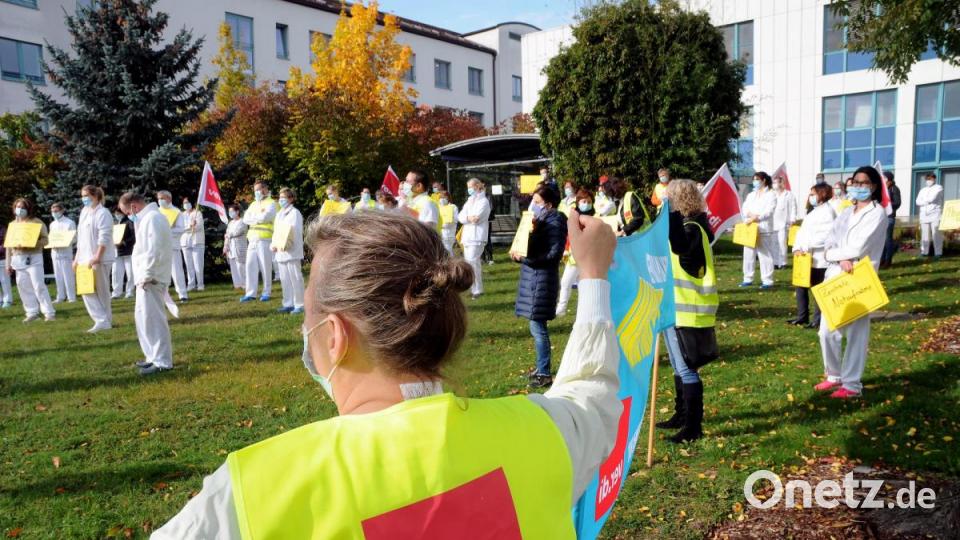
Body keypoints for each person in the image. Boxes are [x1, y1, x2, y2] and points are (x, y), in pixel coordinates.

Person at [152, 209, 619, 539]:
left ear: (334, 336)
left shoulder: (255, 493)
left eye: (308, 310)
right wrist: (594, 274)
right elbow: (594, 395)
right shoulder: (539, 434)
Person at [816, 166, 887, 399]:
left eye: (864, 183)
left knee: (856, 333)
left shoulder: (877, 213)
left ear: (874, 186)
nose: (858, 186)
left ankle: (852, 385)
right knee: (826, 331)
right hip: (836, 275)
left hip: (859, 276)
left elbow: (858, 247)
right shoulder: (847, 211)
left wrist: (837, 254)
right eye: (855, 182)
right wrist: (835, 255)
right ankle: (834, 375)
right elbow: (829, 241)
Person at [657, 179, 717, 443]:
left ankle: (693, 427)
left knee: (687, 369)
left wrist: (668, 214)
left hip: (688, 310)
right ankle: (681, 415)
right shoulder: (688, 226)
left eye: (668, 199)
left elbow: (680, 247)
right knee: (678, 368)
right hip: (675, 309)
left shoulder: (691, 229)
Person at [512, 185, 567, 388]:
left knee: (538, 328)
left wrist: (525, 259)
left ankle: (544, 372)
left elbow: (553, 254)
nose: (532, 205)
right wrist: (519, 253)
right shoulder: (540, 220)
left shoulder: (555, 221)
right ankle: (541, 367)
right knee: (535, 327)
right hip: (533, 279)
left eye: (537, 202)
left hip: (541, 281)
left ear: (549, 204)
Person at [119, 192, 174, 376]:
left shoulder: (153, 218)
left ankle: (162, 361)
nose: (128, 216)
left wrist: (148, 274)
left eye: (127, 212)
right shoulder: (147, 219)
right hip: (145, 277)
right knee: (144, 318)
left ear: (134, 206)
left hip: (151, 277)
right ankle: (152, 356)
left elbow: (153, 249)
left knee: (154, 319)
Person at [789, 184, 836, 329]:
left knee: (817, 289)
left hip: (819, 258)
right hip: (804, 257)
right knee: (800, 286)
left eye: (813, 194)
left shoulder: (828, 213)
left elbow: (825, 236)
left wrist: (807, 248)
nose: (811, 197)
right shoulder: (812, 212)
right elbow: (802, 233)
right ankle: (802, 316)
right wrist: (797, 248)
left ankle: (818, 319)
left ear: (822, 194)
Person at [6, 198, 55, 322]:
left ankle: (49, 313)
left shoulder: (36, 222)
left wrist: (32, 243)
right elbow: (8, 245)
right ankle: (31, 312)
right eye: (18, 207)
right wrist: (8, 264)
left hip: (33, 257)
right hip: (18, 258)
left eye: (23, 207)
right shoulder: (12, 225)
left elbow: (46, 239)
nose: (20, 210)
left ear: (28, 209)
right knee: (22, 286)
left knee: (38, 285)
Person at [75, 185, 116, 332]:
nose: (84, 199)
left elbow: (104, 237)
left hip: (100, 259)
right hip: (84, 259)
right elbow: (80, 238)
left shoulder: (103, 213)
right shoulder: (84, 212)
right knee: (86, 290)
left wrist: (97, 256)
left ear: (96, 196)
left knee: (101, 290)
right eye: (82, 196)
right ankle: (101, 319)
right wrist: (76, 258)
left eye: (87, 196)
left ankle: (105, 321)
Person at [556, 188, 595, 316]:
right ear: (578, 202)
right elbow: (569, 234)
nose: (587, 204)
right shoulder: (574, 216)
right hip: (574, 255)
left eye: (589, 202)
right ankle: (565, 308)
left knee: (570, 283)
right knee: (571, 283)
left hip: (586, 256)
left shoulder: (593, 217)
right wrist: (566, 249)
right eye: (584, 201)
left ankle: (564, 309)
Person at [739, 172, 778, 289]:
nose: (755, 182)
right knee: (748, 254)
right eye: (754, 179)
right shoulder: (751, 195)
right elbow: (744, 207)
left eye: (757, 179)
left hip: (763, 228)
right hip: (750, 227)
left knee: (764, 254)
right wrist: (750, 216)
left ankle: (767, 280)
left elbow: (769, 210)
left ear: (764, 180)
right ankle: (747, 278)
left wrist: (758, 217)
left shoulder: (771, 194)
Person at [241, 181, 277, 303]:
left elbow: (266, 217)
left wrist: (254, 218)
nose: (256, 192)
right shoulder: (253, 204)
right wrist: (258, 217)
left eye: (259, 189)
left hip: (265, 239)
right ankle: (250, 293)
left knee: (265, 266)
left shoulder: (272, 203)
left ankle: (266, 292)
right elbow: (245, 219)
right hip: (252, 239)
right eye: (255, 190)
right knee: (250, 265)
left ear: (265, 189)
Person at [272, 188, 305, 314]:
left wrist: (283, 243)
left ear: (291, 199)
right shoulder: (279, 213)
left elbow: (293, 232)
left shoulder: (295, 213)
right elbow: (276, 232)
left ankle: (299, 304)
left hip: (291, 250)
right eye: (280, 198)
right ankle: (288, 303)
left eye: (284, 198)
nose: (281, 200)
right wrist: (274, 244)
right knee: (285, 279)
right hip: (280, 251)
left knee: (295, 278)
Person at [458, 178, 491, 299]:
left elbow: (477, 219)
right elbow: (460, 217)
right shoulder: (469, 201)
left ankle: (476, 290)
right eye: (468, 187)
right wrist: (468, 218)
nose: (469, 189)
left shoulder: (484, 201)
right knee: (471, 263)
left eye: (471, 186)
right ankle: (476, 288)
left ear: (478, 186)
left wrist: (469, 218)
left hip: (477, 236)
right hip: (468, 236)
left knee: (472, 262)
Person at [156, 191, 189, 303]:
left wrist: (168, 230)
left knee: (176, 271)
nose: (160, 200)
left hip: (172, 246)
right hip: (159, 247)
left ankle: (182, 294)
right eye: (158, 198)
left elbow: (181, 228)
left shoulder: (176, 212)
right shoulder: (157, 212)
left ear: (169, 199)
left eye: (162, 198)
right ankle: (162, 295)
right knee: (159, 272)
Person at [49, 203, 77, 303]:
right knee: (58, 275)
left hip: (65, 251)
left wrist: (65, 241)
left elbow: (74, 238)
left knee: (68, 275)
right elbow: (51, 237)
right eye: (52, 211)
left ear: (62, 211)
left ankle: (71, 297)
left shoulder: (69, 222)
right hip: (55, 252)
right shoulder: (52, 224)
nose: (54, 213)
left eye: (56, 211)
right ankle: (60, 296)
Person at [915, 172, 944, 259]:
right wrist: (925, 202)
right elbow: (917, 201)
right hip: (924, 214)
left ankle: (938, 253)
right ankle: (924, 252)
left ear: (934, 179)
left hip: (935, 213)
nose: (928, 181)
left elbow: (932, 198)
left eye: (930, 179)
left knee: (936, 234)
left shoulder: (939, 187)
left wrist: (923, 201)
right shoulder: (922, 190)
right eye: (927, 179)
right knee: (925, 234)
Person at [772, 175, 798, 269]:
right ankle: (775, 262)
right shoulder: (772, 194)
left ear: (781, 183)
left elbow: (793, 207)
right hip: (773, 223)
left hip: (784, 223)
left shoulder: (789, 194)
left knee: (782, 242)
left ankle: (783, 263)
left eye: (775, 182)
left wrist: (793, 219)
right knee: (774, 243)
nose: (774, 184)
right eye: (773, 182)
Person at [111, 208, 136, 299]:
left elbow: (134, 235)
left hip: (128, 251)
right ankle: (116, 292)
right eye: (115, 213)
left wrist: (124, 242)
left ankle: (129, 291)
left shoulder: (129, 222)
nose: (117, 215)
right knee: (116, 273)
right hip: (117, 251)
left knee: (130, 272)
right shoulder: (114, 223)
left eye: (118, 213)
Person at [182, 198, 205, 291]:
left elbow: (199, 227)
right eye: (184, 203)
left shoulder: (198, 213)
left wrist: (193, 226)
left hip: (197, 241)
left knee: (198, 264)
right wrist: (190, 226)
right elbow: (181, 228)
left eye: (187, 202)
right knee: (189, 265)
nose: (186, 204)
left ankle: (200, 284)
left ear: (191, 203)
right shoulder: (182, 215)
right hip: (185, 242)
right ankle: (191, 284)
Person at [223, 204, 248, 290]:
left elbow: (237, 232)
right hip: (231, 248)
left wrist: (228, 235)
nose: (230, 213)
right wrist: (225, 246)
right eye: (229, 211)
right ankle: (237, 284)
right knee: (233, 267)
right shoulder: (230, 223)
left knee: (241, 266)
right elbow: (226, 235)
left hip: (239, 247)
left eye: (232, 211)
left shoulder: (242, 221)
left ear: (237, 211)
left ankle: (245, 284)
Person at [879, 171, 901, 269]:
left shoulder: (894, 189)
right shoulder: (881, 189)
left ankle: (888, 261)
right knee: (881, 240)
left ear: (888, 179)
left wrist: (887, 203)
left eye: (884, 178)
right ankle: (882, 260)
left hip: (889, 217)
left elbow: (897, 203)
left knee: (888, 239)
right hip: (881, 217)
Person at [436, 189, 459, 255]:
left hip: (449, 234)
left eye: (444, 197)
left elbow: (455, 220)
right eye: (441, 197)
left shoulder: (453, 207)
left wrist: (444, 225)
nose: (442, 199)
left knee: (448, 251)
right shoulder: (438, 207)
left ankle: (452, 264)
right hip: (440, 233)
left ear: (448, 197)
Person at [0, 225, 12, 308]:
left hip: (2, 259)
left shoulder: (3, 229)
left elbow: (6, 244)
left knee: (4, 281)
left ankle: (8, 300)